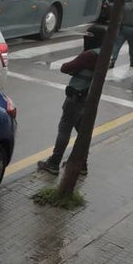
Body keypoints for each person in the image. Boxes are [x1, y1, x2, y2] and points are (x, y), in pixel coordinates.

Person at [37, 24, 107, 176]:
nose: (85, 39)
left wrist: (76, 67)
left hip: (76, 97)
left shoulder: (89, 55)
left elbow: (66, 67)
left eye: (88, 36)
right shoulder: (105, 54)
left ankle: (54, 163)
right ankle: (82, 164)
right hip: (88, 99)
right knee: (83, 132)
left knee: (65, 129)